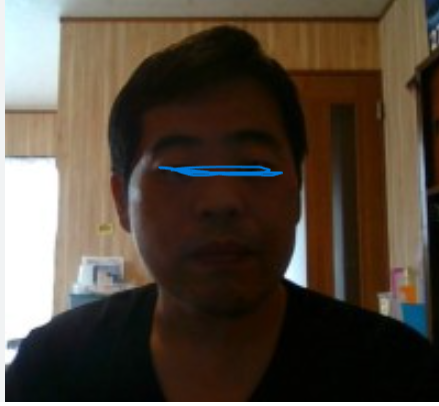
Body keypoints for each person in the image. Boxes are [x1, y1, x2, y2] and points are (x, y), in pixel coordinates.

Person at [6, 25, 438, 401]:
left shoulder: (398, 374)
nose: (221, 200)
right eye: (178, 170)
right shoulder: (51, 370)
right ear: (121, 201)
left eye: (254, 165)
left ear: (297, 189)